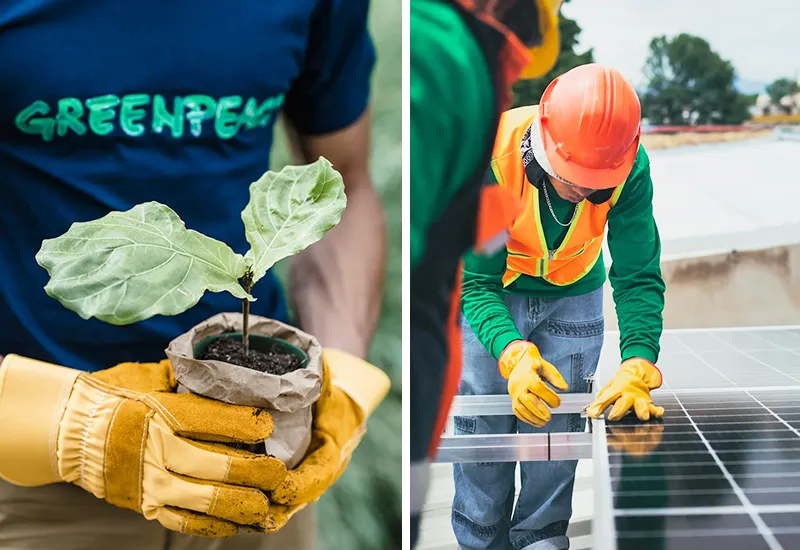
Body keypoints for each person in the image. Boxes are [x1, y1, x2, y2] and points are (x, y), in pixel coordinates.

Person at [0, 0, 388, 548]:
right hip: (39, 483)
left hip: (262, 465)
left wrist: (340, 380)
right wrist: (69, 428)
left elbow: (341, 179)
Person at [452, 63, 667, 550]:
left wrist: (638, 360)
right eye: (576, 181)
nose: (588, 193)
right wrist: (512, 354)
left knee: (558, 430)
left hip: (574, 295)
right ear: (543, 148)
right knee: (484, 429)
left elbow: (637, 273)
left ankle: (543, 540)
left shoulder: (630, 165)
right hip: (495, 291)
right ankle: (479, 541)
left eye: (598, 184)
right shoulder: (493, 156)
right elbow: (476, 283)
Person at [410, 0, 565, 546]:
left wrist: (639, 356)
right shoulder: (436, 54)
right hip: (391, 409)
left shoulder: (456, 61)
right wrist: (511, 350)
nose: (521, 65)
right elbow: (454, 274)